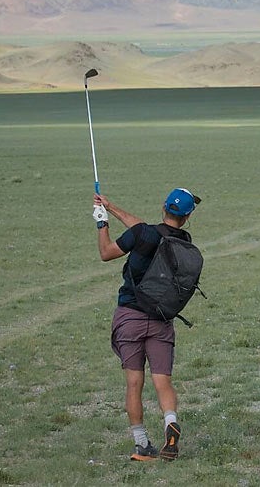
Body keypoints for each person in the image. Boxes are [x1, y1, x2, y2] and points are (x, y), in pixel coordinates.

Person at [93, 187, 199, 462]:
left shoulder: (142, 234)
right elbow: (148, 229)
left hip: (130, 316)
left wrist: (102, 221)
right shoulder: (183, 240)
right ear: (186, 217)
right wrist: (112, 205)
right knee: (162, 380)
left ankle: (142, 444)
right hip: (161, 319)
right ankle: (170, 422)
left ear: (163, 206)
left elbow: (106, 253)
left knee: (134, 382)